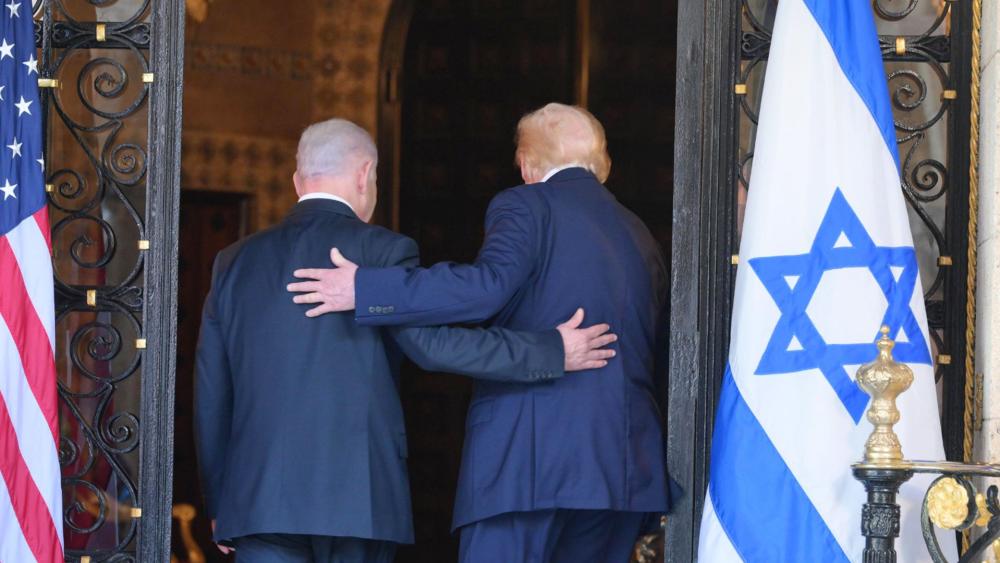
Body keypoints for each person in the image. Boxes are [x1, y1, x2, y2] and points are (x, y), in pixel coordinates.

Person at [195, 118, 617, 563]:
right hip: (358, 501)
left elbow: (211, 389)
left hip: (258, 502)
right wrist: (552, 350)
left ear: (298, 180)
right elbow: (435, 347)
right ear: (365, 175)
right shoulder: (383, 251)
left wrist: (222, 502)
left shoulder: (232, 262)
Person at [288, 104, 673, 563]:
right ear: (601, 161)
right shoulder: (639, 232)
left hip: (528, 466)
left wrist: (367, 287)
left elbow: (486, 289)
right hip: (625, 469)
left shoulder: (525, 204)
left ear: (528, 165)